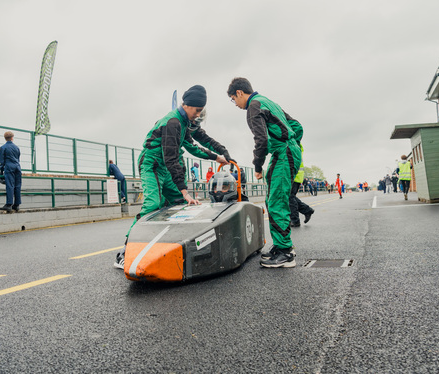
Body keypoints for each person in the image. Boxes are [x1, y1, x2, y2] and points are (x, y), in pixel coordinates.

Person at [114, 85, 231, 269]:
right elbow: (170, 159)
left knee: (178, 204)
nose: (198, 116)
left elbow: (195, 146)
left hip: (165, 166)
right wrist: (185, 190)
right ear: (188, 105)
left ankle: (166, 246)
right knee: (153, 203)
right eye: (197, 111)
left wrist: (219, 156)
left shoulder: (185, 124)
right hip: (152, 163)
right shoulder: (173, 123)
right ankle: (125, 251)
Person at [227, 77, 302, 268]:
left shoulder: (253, 106)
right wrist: (294, 144)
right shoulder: (269, 102)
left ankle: (286, 253)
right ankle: (282, 246)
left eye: (233, 99)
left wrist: (258, 166)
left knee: (276, 201)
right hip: (286, 151)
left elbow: (261, 140)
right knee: (272, 199)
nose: (235, 104)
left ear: (239, 93)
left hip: (283, 153)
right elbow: (297, 126)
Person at [289, 145, 314, 228]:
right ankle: (307, 210)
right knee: (290, 197)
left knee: (290, 197)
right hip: (296, 175)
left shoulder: (293, 145)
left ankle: (295, 220)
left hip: (294, 176)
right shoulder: (297, 145)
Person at [0, 131, 21, 212]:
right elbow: (18, 158)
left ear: (5, 138)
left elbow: (2, 161)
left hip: (9, 167)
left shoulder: (3, 147)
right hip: (17, 167)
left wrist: (1, 171)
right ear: (12, 138)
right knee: (17, 185)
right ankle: (17, 205)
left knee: (10, 185)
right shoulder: (17, 147)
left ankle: (9, 204)